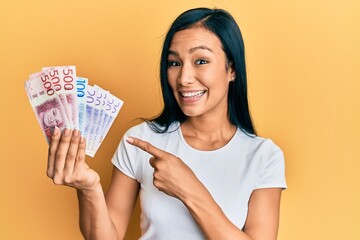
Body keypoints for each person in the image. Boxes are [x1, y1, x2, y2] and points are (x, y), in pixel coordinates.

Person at [47, 7, 286, 240]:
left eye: (201, 61)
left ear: (231, 69)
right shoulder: (141, 141)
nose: (184, 78)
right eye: (174, 63)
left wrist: (189, 189)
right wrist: (88, 188)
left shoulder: (264, 156)